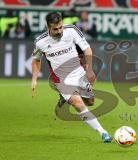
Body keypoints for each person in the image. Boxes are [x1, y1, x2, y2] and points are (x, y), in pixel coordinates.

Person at [31, 12, 112, 143]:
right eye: (55, 29)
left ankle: (64, 98)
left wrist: (90, 70)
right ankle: (103, 133)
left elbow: (87, 49)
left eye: (60, 27)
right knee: (78, 104)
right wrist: (34, 79)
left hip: (79, 73)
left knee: (90, 102)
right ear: (48, 27)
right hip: (61, 79)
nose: (59, 31)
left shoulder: (72, 30)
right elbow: (36, 60)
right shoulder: (40, 42)